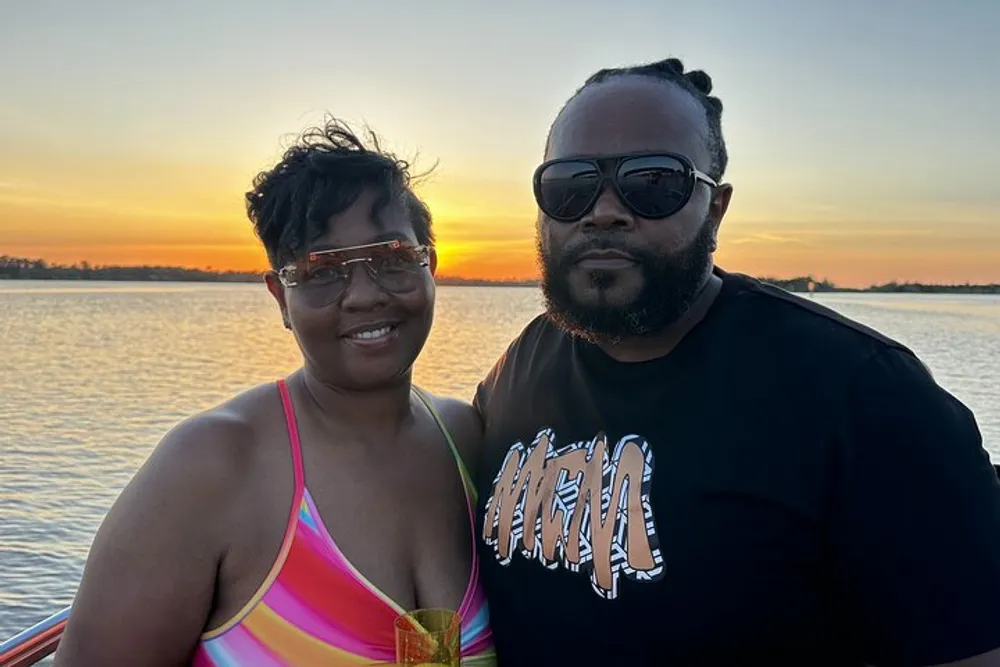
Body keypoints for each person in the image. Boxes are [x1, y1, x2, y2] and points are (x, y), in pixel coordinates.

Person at [472, 57, 1000, 666]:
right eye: (570, 185)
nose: (604, 210)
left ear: (715, 209)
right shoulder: (518, 369)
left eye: (652, 182)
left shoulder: (865, 397)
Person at [55, 119, 494, 666]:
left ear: (430, 265)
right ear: (280, 297)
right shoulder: (212, 468)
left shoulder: (469, 442)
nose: (363, 294)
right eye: (321, 270)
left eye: (391, 258)